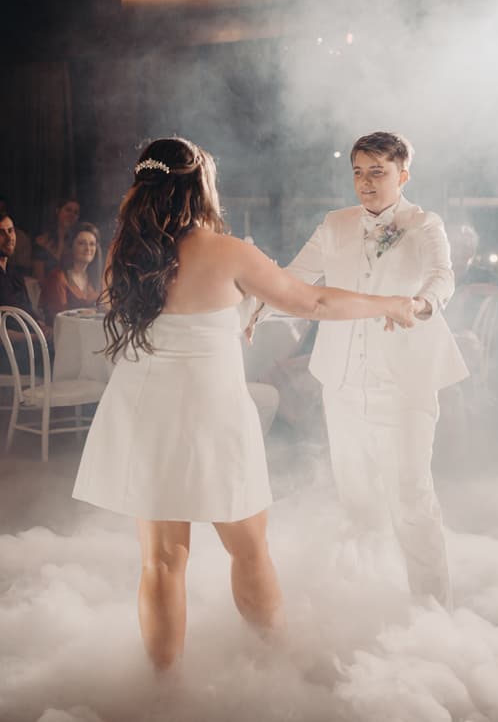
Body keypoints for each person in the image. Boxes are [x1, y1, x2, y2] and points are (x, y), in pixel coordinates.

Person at [72, 136, 415, 672]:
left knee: (161, 562)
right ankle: (276, 661)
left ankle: (162, 691)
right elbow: (316, 301)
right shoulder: (228, 251)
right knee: (249, 547)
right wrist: (389, 303)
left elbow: (184, 308)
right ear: (199, 186)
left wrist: (246, 301)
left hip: (144, 407)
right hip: (210, 412)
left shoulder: (125, 251)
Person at [263, 131, 469, 610]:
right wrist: (252, 306)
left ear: (403, 174)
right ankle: (369, 597)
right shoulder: (334, 224)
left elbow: (444, 276)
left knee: (411, 498)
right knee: (356, 498)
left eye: (378, 171)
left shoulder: (424, 223)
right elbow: (292, 279)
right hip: (342, 382)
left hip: (405, 380)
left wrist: (421, 302)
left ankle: (433, 608)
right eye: (358, 171)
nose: (366, 182)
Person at [0, 212, 53, 373]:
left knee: (66, 346)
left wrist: (42, 326)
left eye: (11, 230)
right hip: (9, 351)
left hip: (29, 343)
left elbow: (28, 310)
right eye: (1, 233)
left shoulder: (13, 272)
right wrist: (34, 337)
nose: (9, 238)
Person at [40, 222, 102, 325]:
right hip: (63, 335)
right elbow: (59, 319)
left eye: (92, 244)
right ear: (71, 246)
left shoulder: (94, 279)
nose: (88, 249)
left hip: (88, 333)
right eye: (82, 243)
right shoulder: (58, 277)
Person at [32, 196, 81, 282]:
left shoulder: (77, 244)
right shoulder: (42, 241)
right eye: (68, 210)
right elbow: (38, 279)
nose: (71, 215)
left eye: (76, 212)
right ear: (58, 211)